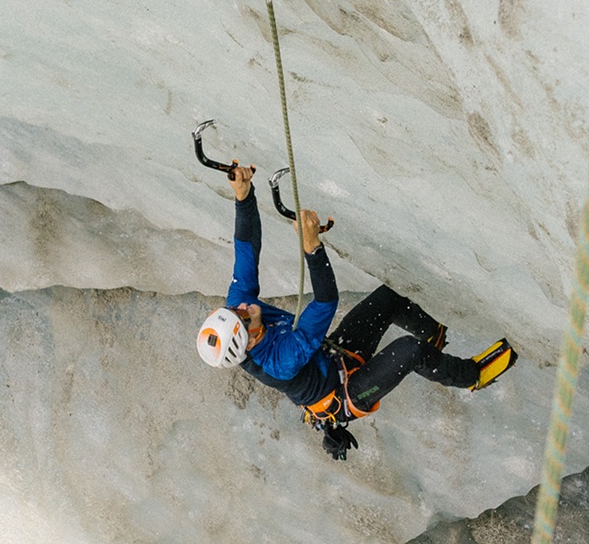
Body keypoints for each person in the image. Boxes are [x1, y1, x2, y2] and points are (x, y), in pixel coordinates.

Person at [197, 164, 517, 460]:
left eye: (232, 309)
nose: (243, 307)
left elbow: (246, 251)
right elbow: (325, 301)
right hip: (347, 393)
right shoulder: (281, 360)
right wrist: (312, 248)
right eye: (243, 316)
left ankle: (435, 336)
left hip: (337, 357)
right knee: (408, 351)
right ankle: (473, 376)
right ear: (249, 340)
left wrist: (244, 197)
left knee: (389, 297)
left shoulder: (237, 308)